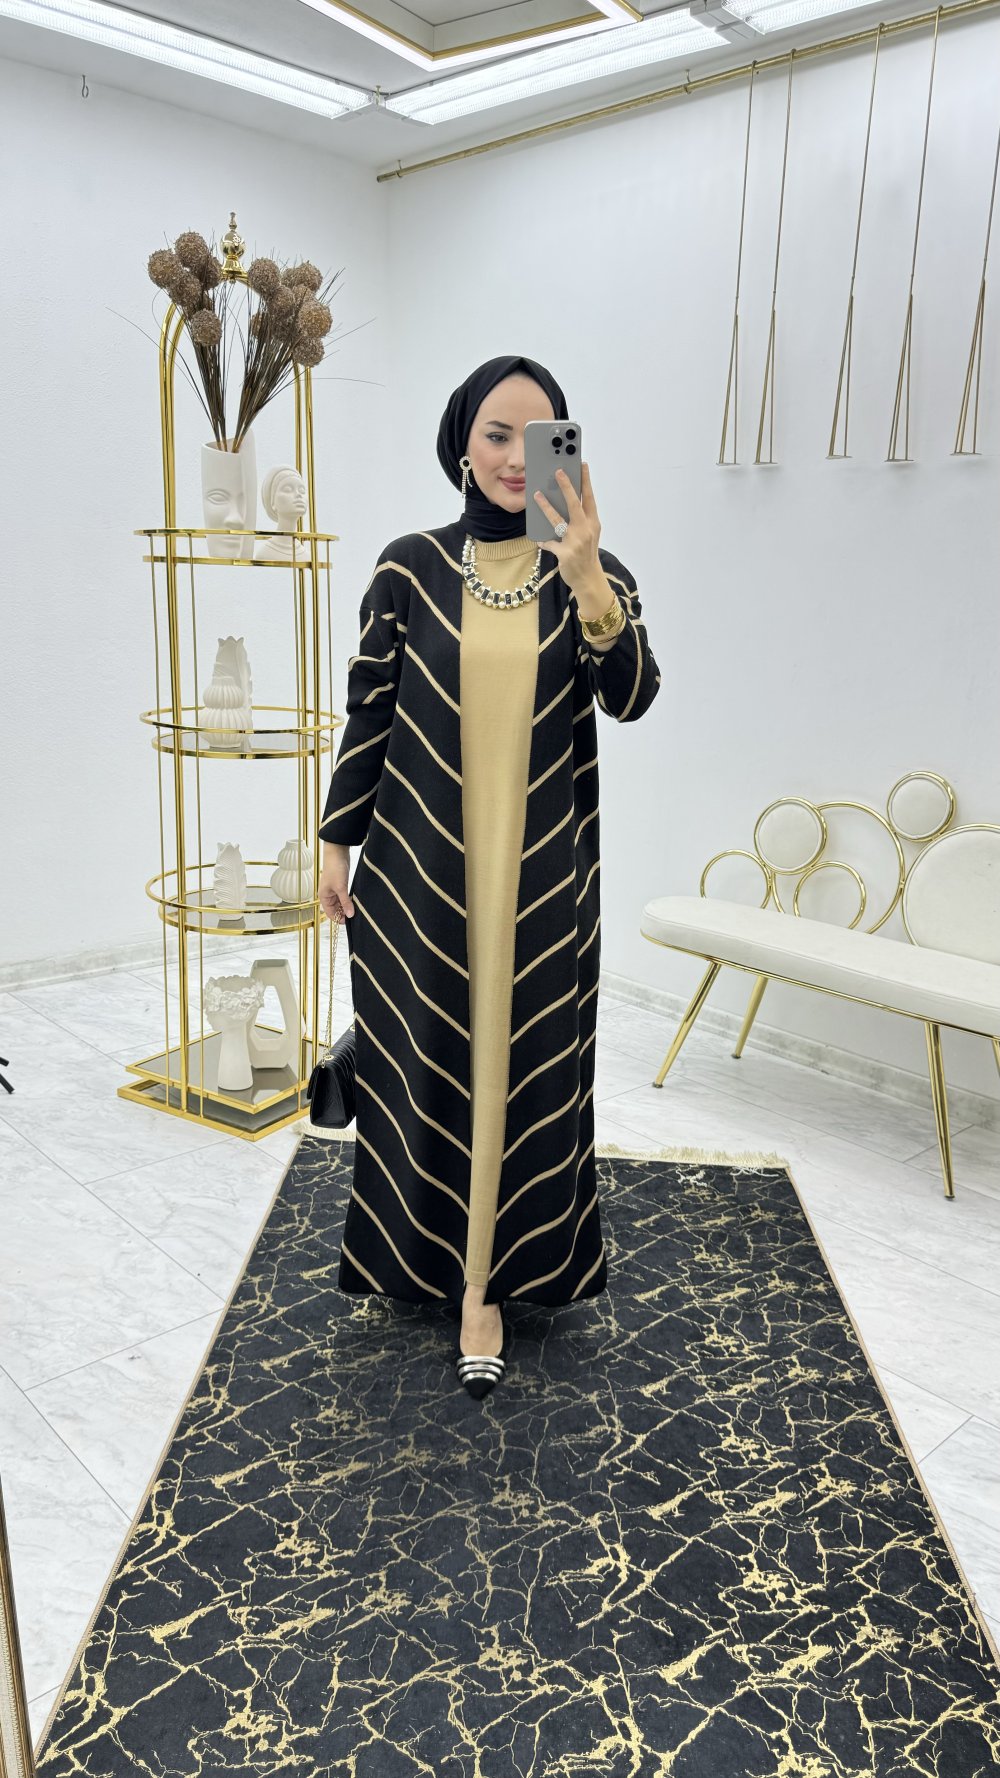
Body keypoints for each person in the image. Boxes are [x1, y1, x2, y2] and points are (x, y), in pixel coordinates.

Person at [317, 355, 661, 1400]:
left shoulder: (592, 571)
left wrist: (586, 572)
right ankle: (430, 1259)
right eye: (497, 434)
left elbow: (632, 696)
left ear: (566, 450)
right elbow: (370, 713)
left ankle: (489, 1287)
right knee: (426, 1061)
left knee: (530, 1070)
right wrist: (334, 838)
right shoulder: (408, 567)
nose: (517, 458)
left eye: (540, 437)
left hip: (543, 880)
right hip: (422, 875)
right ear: (461, 443)